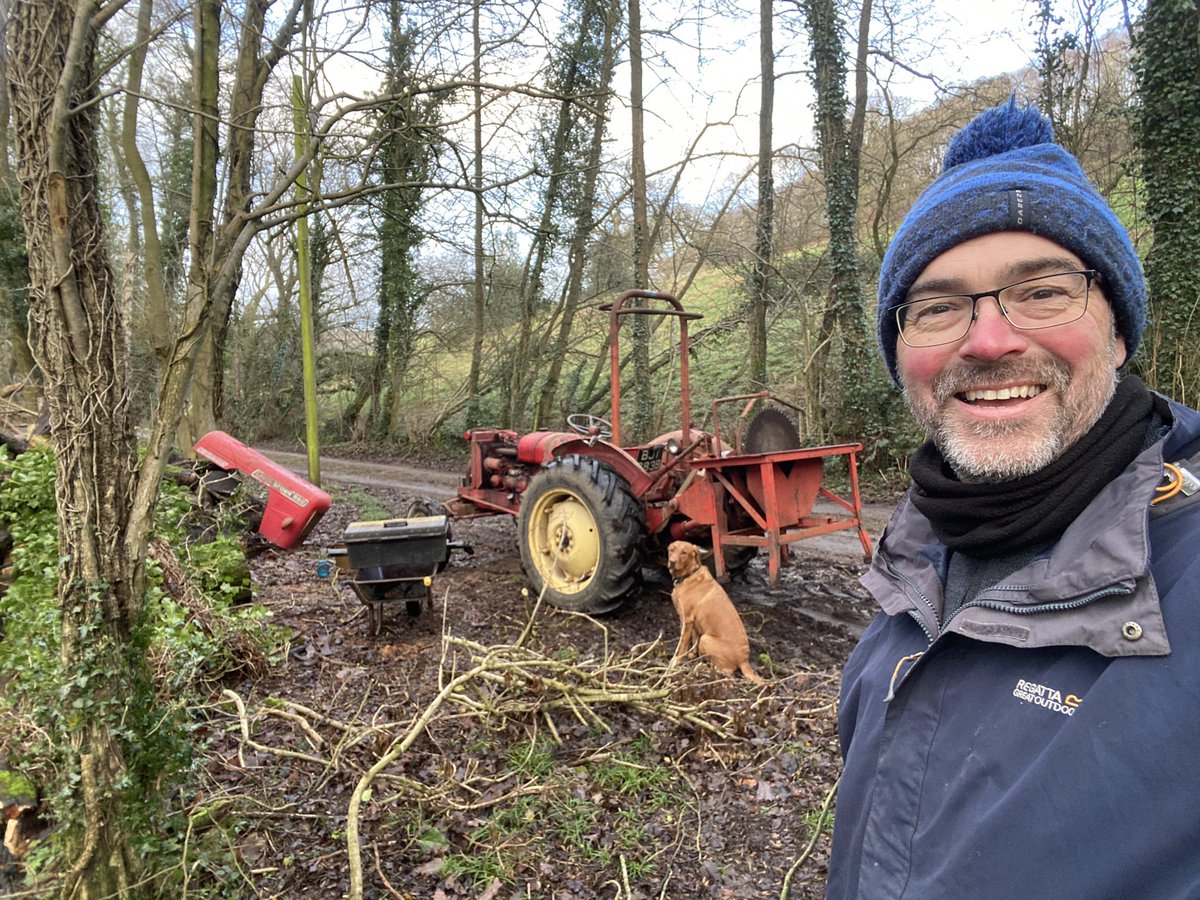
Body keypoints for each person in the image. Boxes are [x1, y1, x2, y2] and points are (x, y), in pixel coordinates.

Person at [827, 96, 1200, 900]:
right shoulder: (912, 569)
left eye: (1043, 291)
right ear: (902, 356)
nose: (989, 341)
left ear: (1120, 329)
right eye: (937, 307)